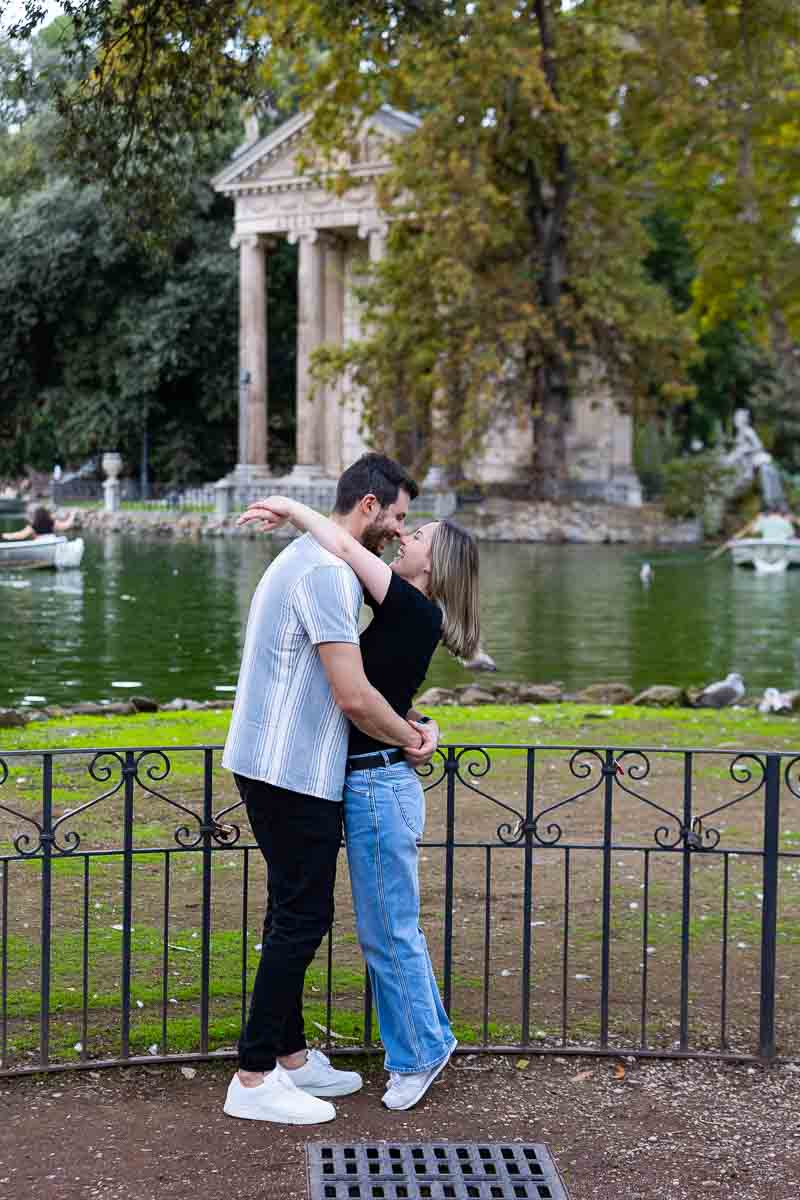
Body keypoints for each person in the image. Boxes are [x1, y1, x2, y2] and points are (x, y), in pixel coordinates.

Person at [238, 491, 480, 1112]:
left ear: (435, 563)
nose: (404, 538)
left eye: (417, 533)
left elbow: (345, 542)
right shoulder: (409, 612)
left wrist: (292, 507)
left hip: (377, 783)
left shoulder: (409, 605)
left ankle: (419, 1055)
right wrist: (417, 725)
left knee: (388, 932)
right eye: (403, 523)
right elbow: (384, 688)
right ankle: (414, 1046)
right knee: (386, 928)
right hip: (369, 780)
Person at [1, 506, 76, 541]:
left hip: (40, 542)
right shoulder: (52, 522)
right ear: (47, 515)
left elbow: (19, 535)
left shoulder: (33, 526)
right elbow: (67, 525)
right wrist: (72, 514)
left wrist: (3, 535)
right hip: (52, 540)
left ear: (36, 516)